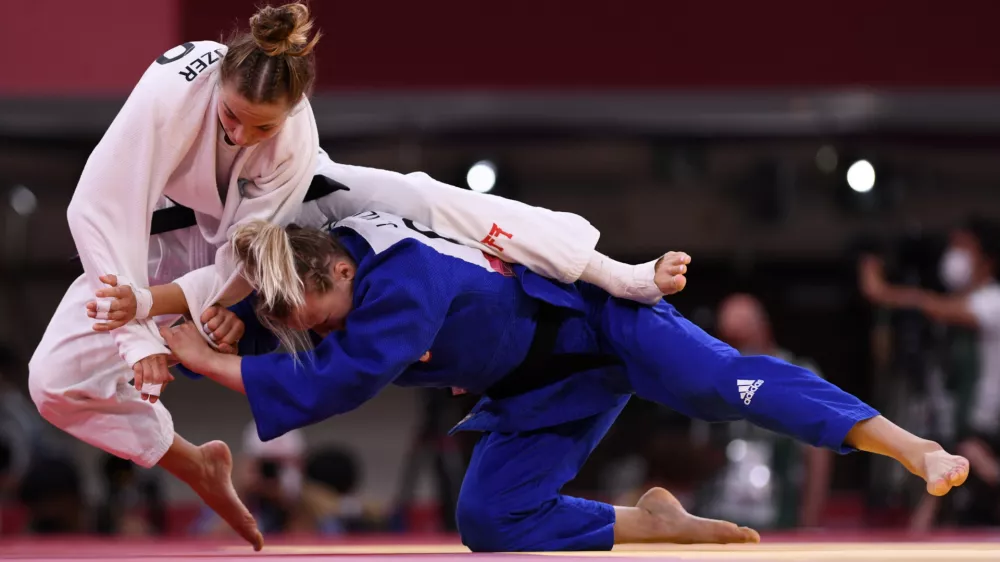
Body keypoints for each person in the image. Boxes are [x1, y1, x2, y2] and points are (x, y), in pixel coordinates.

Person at [30, 1, 680, 551]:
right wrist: (140, 334)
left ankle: (608, 271)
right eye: (231, 118)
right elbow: (100, 205)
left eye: (262, 125)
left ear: (295, 108)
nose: (240, 133)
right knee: (53, 383)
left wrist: (225, 301)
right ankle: (194, 462)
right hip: (155, 243)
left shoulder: (294, 140)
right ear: (218, 85)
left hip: (286, 221)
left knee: (425, 198)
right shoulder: (171, 92)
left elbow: (245, 251)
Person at [147, 213, 968, 552]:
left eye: (314, 309)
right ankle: (656, 525)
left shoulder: (400, 276)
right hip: (541, 385)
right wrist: (209, 329)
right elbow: (276, 325)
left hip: (598, 324)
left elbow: (347, 378)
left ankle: (907, 442)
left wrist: (207, 356)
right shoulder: (318, 283)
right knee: (486, 519)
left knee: (725, 385)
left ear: (336, 265)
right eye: (295, 321)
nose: (315, 326)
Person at [860, 218, 1000, 528]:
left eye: (963, 247)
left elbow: (929, 304)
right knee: (938, 495)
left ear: (986, 257)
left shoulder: (993, 301)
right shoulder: (954, 303)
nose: (954, 256)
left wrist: (882, 289)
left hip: (986, 427)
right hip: (953, 424)